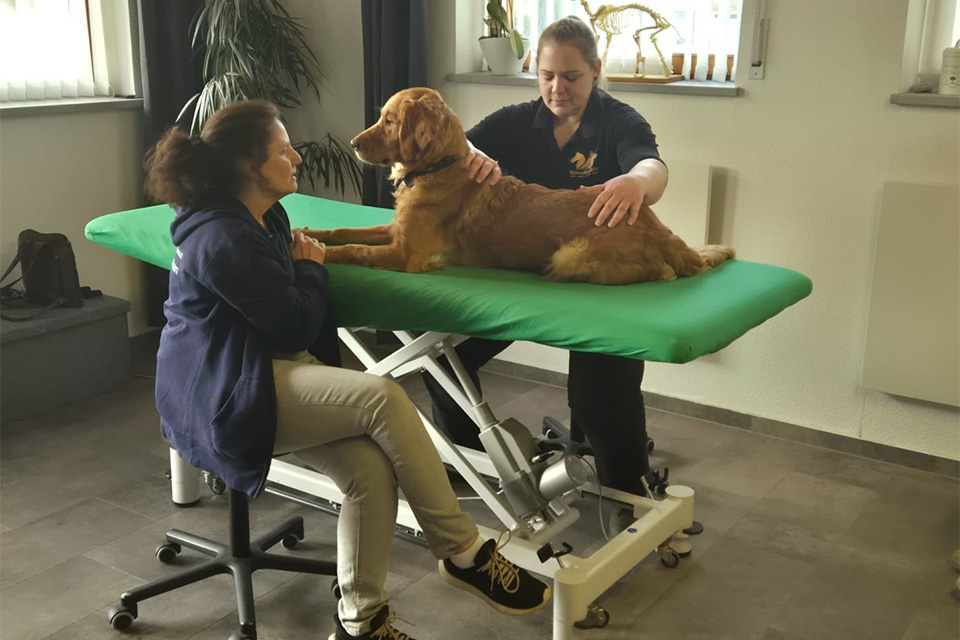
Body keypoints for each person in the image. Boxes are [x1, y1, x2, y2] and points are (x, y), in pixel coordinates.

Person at [145, 99, 550, 640]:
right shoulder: (222, 238)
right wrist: (311, 269)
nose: (296, 155)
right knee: (381, 395)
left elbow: (284, 299)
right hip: (222, 392)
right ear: (248, 167)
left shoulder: (261, 213)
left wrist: (308, 261)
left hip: (257, 369)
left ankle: (361, 619)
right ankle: (463, 550)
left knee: (368, 470)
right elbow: (293, 324)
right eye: (282, 148)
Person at [422, 16, 670, 500]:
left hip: (597, 276)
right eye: (546, 75)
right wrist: (472, 153)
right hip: (523, 276)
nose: (557, 88)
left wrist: (636, 182)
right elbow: (457, 143)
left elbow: (651, 164)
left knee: (600, 391)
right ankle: (476, 462)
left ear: (595, 71)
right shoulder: (518, 120)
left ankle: (630, 492)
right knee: (442, 358)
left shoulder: (618, 121)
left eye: (571, 77)